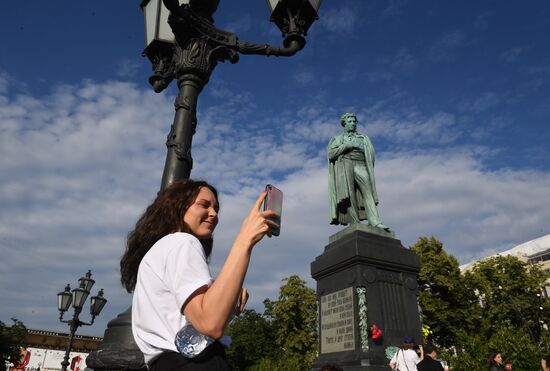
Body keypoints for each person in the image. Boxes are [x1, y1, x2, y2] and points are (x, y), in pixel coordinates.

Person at [121, 179, 279, 370]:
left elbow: (197, 323)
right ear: (178, 208)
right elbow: (209, 323)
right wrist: (244, 240)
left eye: (216, 208)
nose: (213, 214)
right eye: (204, 205)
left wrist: (226, 298)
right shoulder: (182, 241)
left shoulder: (160, 251)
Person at [327, 113, 390, 230]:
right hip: (345, 164)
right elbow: (331, 154)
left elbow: (370, 155)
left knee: (368, 193)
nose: (353, 124)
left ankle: (375, 221)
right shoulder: (337, 139)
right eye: (350, 121)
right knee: (348, 194)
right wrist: (346, 146)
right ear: (344, 124)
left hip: (361, 164)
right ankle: (355, 222)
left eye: (354, 121)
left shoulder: (363, 138)